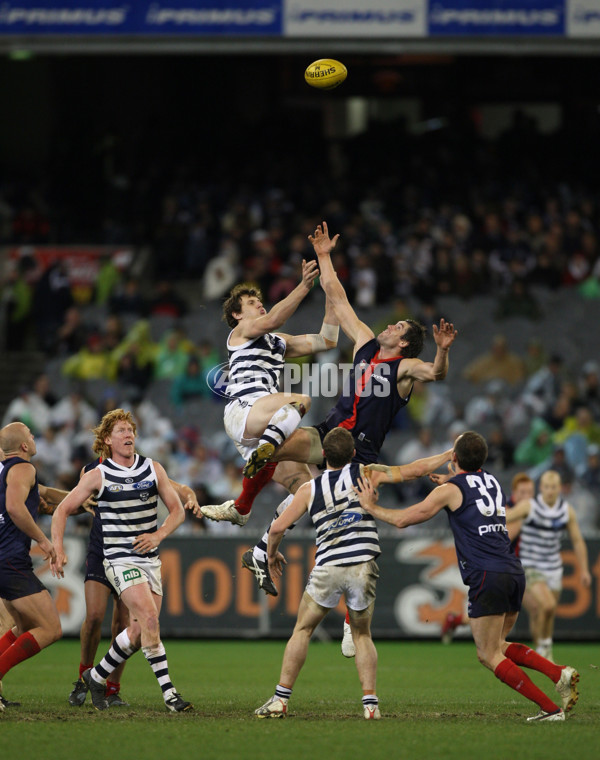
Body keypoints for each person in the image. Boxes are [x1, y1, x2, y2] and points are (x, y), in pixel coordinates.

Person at [202, 222, 457, 600]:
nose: (388, 324)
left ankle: (264, 552)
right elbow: (338, 299)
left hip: (360, 453)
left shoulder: (403, 368)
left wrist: (443, 350)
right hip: (328, 434)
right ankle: (244, 509)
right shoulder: (367, 343)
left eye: (397, 326)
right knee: (272, 454)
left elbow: (434, 372)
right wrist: (324, 256)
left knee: (325, 506)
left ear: (403, 343)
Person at [354, 431, 579, 723]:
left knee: (487, 654)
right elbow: (474, 494)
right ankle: (558, 673)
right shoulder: (493, 481)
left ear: (454, 458)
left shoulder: (451, 489)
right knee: (498, 645)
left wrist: (370, 507)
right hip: (512, 570)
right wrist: (451, 483)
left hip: (487, 573)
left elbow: (404, 519)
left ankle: (550, 709)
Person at [254, 428, 451, 720]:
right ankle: (370, 705)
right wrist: (448, 454)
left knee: (303, 630)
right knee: (361, 634)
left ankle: (281, 700)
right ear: (352, 454)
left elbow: (278, 527)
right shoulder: (366, 473)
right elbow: (413, 470)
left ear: (323, 455)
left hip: (329, 565)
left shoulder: (310, 489)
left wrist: (271, 554)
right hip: (362, 564)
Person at [51, 409, 191, 712]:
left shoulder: (153, 468)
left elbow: (177, 511)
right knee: (147, 620)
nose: (128, 435)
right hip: (118, 560)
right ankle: (170, 695)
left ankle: (97, 675)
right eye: (121, 431)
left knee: (140, 632)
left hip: (150, 560)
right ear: (107, 440)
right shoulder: (97, 475)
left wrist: (158, 535)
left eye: (131, 430)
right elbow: (62, 510)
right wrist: (58, 548)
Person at [0, 423, 63, 710]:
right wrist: (44, 540)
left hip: (3, 559)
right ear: (24, 446)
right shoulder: (24, 469)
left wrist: (77, 497)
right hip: (10, 560)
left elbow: (43, 495)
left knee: (22, 626)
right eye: (31, 434)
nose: (35, 438)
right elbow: (15, 507)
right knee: (50, 628)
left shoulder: (4, 471)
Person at [505, 470, 591, 662]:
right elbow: (505, 516)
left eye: (553, 487)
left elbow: (577, 541)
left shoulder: (566, 511)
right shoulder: (530, 506)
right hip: (530, 566)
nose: (550, 491)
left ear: (559, 488)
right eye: (546, 487)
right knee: (547, 605)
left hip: (553, 568)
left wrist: (584, 569)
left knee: (547, 613)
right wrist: (484, 511)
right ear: (540, 488)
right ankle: (545, 649)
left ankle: (540, 653)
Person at [440, 471, 536, 644]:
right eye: (522, 492)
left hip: (515, 567)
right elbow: (507, 537)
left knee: (498, 617)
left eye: (529, 493)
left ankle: (455, 621)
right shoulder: (504, 508)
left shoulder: (530, 510)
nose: (526, 497)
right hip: (498, 568)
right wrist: (521, 517)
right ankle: (542, 649)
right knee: (509, 614)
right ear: (514, 492)